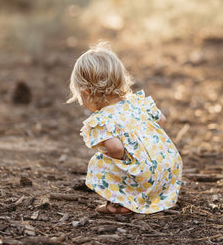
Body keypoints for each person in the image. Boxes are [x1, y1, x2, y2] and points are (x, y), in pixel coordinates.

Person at [67, 43, 182, 215]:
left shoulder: (102, 120)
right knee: (141, 163)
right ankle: (158, 198)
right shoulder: (138, 102)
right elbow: (162, 120)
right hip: (170, 166)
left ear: (87, 93)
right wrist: (146, 143)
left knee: (99, 162)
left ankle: (121, 203)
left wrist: (122, 159)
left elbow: (116, 148)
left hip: (144, 175)